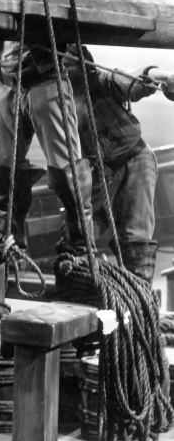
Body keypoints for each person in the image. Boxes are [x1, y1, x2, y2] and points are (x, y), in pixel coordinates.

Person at [0, 0, 96, 262]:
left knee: (67, 172)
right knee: (2, 172)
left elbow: (79, 14)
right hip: (9, 85)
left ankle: (80, 249)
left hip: (45, 79)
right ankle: (7, 247)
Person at [68, 61, 174, 285]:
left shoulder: (98, 79)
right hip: (93, 170)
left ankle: (138, 292)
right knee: (74, 238)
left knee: (136, 241)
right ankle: (84, 287)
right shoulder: (49, 93)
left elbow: (134, 80)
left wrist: (165, 77)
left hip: (134, 160)